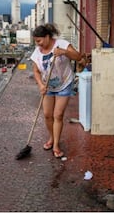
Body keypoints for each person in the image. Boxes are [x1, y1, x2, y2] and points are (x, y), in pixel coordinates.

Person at [30, 23, 83, 158]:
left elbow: (78, 56)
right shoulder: (37, 52)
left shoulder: (62, 44)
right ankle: (52, 137)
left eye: (39, 40)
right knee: (47, 115)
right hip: (47, 86)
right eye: (36, 41)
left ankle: (56, 145)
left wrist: (64, 52)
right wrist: (41, 85)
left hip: (64, 84)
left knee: (57, 115)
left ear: (47, 37)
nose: (38, 44)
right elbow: (36, 71)